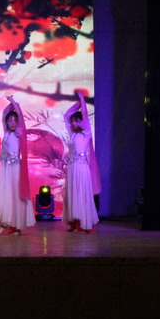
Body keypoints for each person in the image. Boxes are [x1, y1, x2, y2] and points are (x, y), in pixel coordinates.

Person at [0, 95, 35, 236]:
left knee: (15, 196)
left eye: (15, 120)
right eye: (10, 121)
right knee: (5, 195)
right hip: (5, 169)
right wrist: (9, 105)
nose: (13, 123)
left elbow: (20, 115)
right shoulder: (6, 133)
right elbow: (4, 115)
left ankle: (16, 226)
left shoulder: (19, 133)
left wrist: (14, 103)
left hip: (15, 169)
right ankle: (6, 224)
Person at [62, 90, 101, 233]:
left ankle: (82, 222)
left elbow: (84, 115)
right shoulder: (72, 134)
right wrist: (77, 104)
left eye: (76, 120)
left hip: (82, 168)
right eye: (72, 121)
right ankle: (73, 221)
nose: (73, 123)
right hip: (72, 168)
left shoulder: (86, 133)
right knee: (72, 194)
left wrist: (82, 99)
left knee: (81, 193)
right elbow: (66, 116)